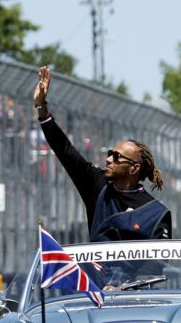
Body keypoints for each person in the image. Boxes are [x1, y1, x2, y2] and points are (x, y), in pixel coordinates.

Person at [33, 66, 170, 242]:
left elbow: (158, 257)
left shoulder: (155, 213)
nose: (109, 159)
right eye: (110, 153)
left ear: (134, 168)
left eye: (117, 157)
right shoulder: (98, 186)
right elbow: (65, 151)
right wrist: (41, 106)